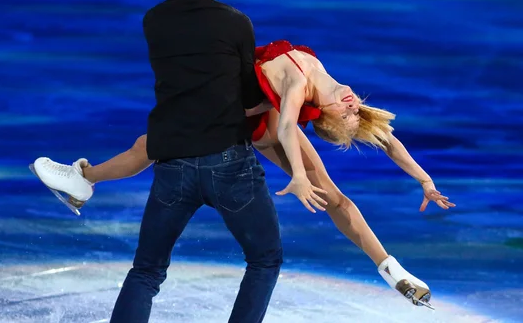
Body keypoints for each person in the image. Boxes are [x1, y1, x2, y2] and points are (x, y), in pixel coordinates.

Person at [31, 0, 330, 323]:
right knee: (265, 259)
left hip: (173, 165)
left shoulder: (154, 21)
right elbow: (245, 92)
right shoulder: (237, 23)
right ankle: (82, 178)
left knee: (147, 271)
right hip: (230, 165)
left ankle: (82, 178)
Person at [33, 38, 455, 311]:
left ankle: (392, 271)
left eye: (345, 111)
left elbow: (300, 128)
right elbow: (365, 134)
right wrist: (423, 180)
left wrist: (422, 179)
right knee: (147, 146)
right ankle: (84, 178)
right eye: (351, 109)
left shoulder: (304, 86)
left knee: (333, 195)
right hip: (238, 118)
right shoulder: (315, 82)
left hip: (250, 123)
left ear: (323, 114)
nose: (351, 105)